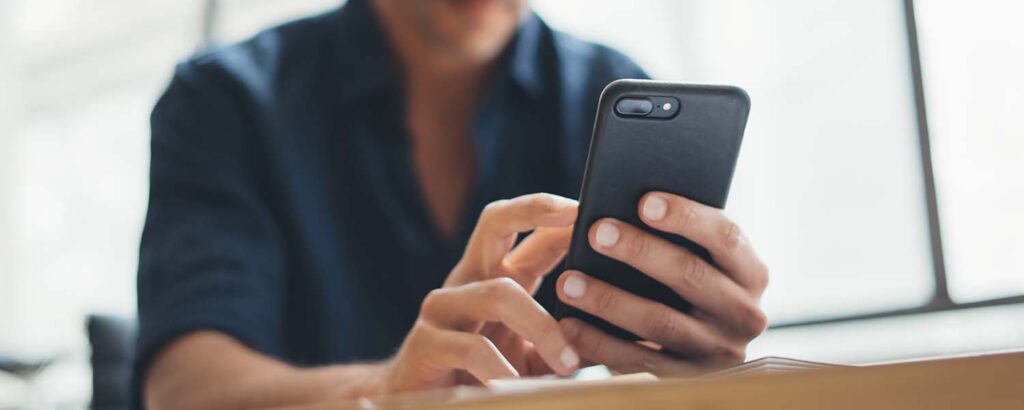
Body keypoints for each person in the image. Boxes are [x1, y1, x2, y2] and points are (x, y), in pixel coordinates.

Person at [136, 0, 769, 408]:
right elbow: (184, 388)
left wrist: (697, 367)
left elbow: (656, 352)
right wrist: (386, 394)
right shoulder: (226, 102)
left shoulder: (609, 88)